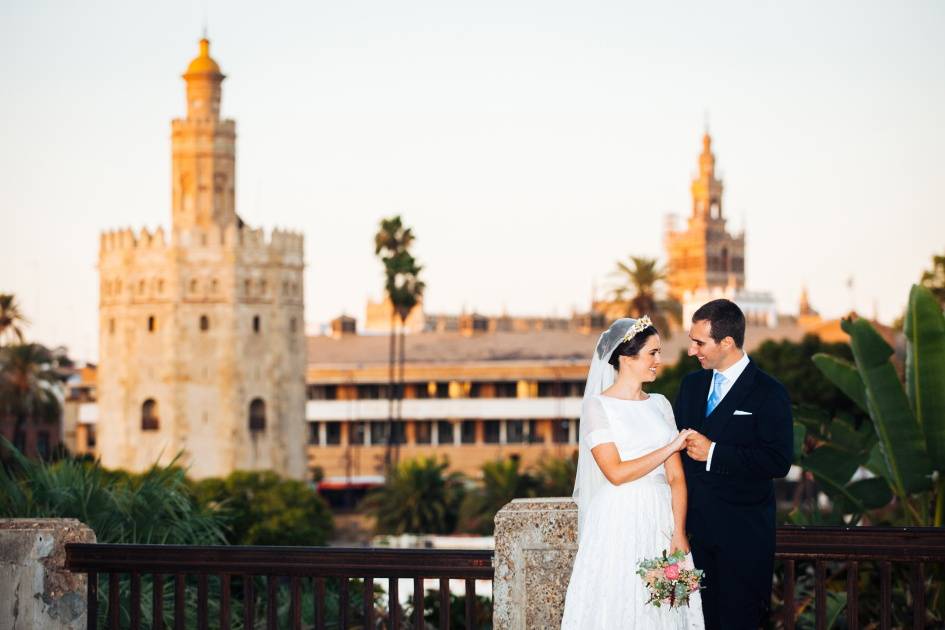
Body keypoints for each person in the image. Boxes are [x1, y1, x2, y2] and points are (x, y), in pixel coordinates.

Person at [561, 316, 704, 629]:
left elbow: (677, 478)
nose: (659, 360)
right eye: (653, 353)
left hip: (661, 520)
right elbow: (615, 473)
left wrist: (679, 531)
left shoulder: (661, 404)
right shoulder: (598, 407)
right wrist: (670, 447)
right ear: (627, 358)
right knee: (618, 602)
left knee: (664, 608)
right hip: (618, 519)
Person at [676, 299, 793, 629]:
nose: (691, 350)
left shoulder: (770, 392)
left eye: (699, 342)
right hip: (693, 539)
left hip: (743, 542)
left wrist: (715, 452)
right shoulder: (690, 386)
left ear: (727, 342)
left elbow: (778, 459)